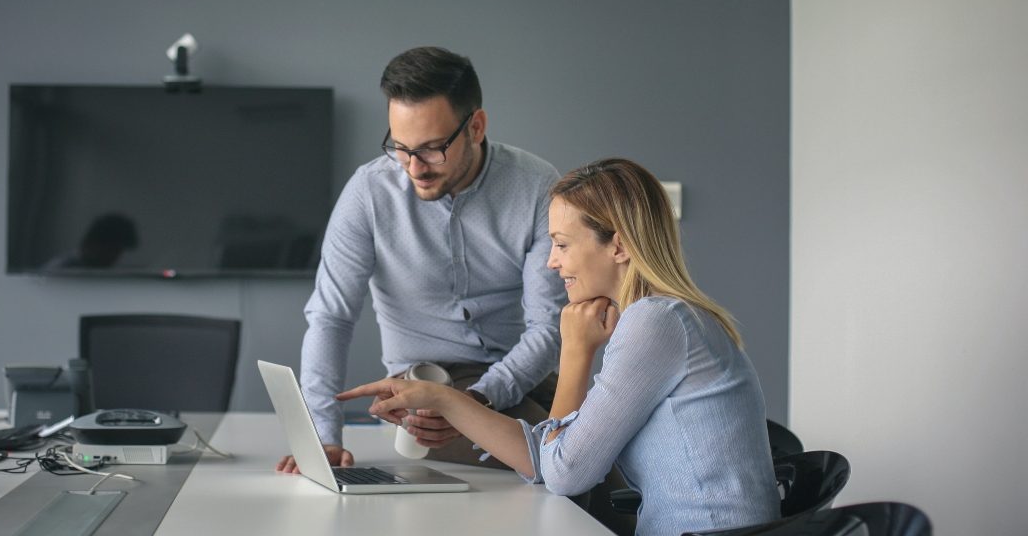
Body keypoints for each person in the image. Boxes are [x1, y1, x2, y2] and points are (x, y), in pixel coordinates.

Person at [339, 158, 781, 536]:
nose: (552, 261)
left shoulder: (655, 323)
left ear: (620, 245)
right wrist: (442, 399)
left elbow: (565, 473)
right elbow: (548, 455)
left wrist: (574, 353)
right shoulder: (663, 319)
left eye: (562, 244)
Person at [278, 46, 567, 472]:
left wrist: (474, 402)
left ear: (476, 127)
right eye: (400, 147)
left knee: (600, 455)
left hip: (523, 375)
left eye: (432, 148)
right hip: (426, 383)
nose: (414, 167)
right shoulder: (369, 193)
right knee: (561, 462)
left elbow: (548, 325)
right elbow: (330, 317)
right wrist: (323, 435)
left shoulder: (537, 187)